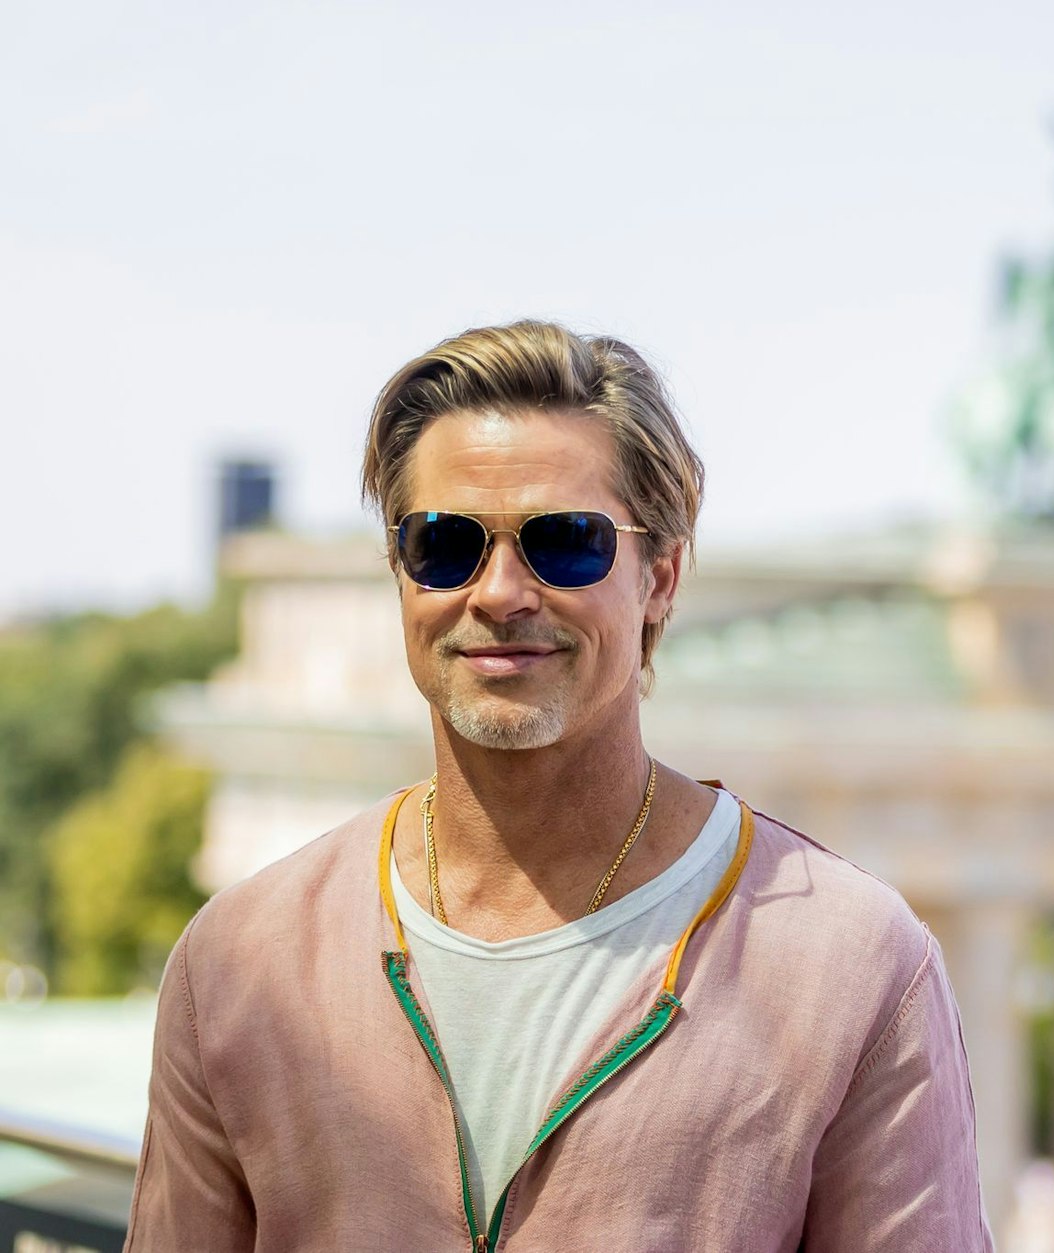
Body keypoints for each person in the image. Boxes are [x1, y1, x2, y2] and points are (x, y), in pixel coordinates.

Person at [126, 321, 992, 1251]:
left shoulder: (854, 967)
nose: (498, 591)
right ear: (402, 576)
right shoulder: (239, 963)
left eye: (567, 542)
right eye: (446, 543)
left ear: (659, 577)